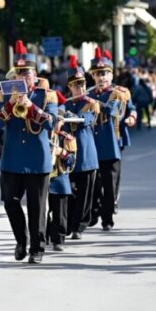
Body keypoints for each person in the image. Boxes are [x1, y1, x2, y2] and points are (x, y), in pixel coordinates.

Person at [0, 40, 58, 264]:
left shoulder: (47, 95)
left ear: (34, 75)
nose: (22, 78)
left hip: (38, 159)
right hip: (12, 159)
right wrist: (11, 104)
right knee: (10, 202)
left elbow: (51, 123)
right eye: (19, 73)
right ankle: (22, 239)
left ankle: (37, 249)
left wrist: (31, 106)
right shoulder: (3, 96)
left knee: (37, 207)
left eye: (27, 73)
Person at [87, 47, 136, 231]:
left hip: (112, 142)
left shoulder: (119, 92)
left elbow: (123, 109)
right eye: (98, 74)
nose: (102, 77)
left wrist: (132, 118)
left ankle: (107, 217)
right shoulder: (89, 93)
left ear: (111, 74)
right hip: (93, 143)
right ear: (93, 75)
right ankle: (96, 210)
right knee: (95, 181)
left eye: (105, 73)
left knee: (110, 182)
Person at [63, 55, 99, 240]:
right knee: (68, 193)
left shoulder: (91, 104)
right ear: (70, 87)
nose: (81, 88)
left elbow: (88, 120)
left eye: (83, 84)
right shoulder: (65, 104)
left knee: (85, 194)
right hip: (68, 154)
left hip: (86, 154)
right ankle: (69, 223)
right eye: (76, 85)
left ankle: (79, 225)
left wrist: (70, 115)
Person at [47, 92, 76, 251]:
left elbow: (72, 162)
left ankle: (58, 238)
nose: (55, 124)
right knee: (43, 212)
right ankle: (43, 236)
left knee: (59, 212)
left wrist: (62, 153)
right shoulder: (41, 137)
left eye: (58, 120)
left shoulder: (66, 138)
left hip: (59, 179)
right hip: (43, 178)